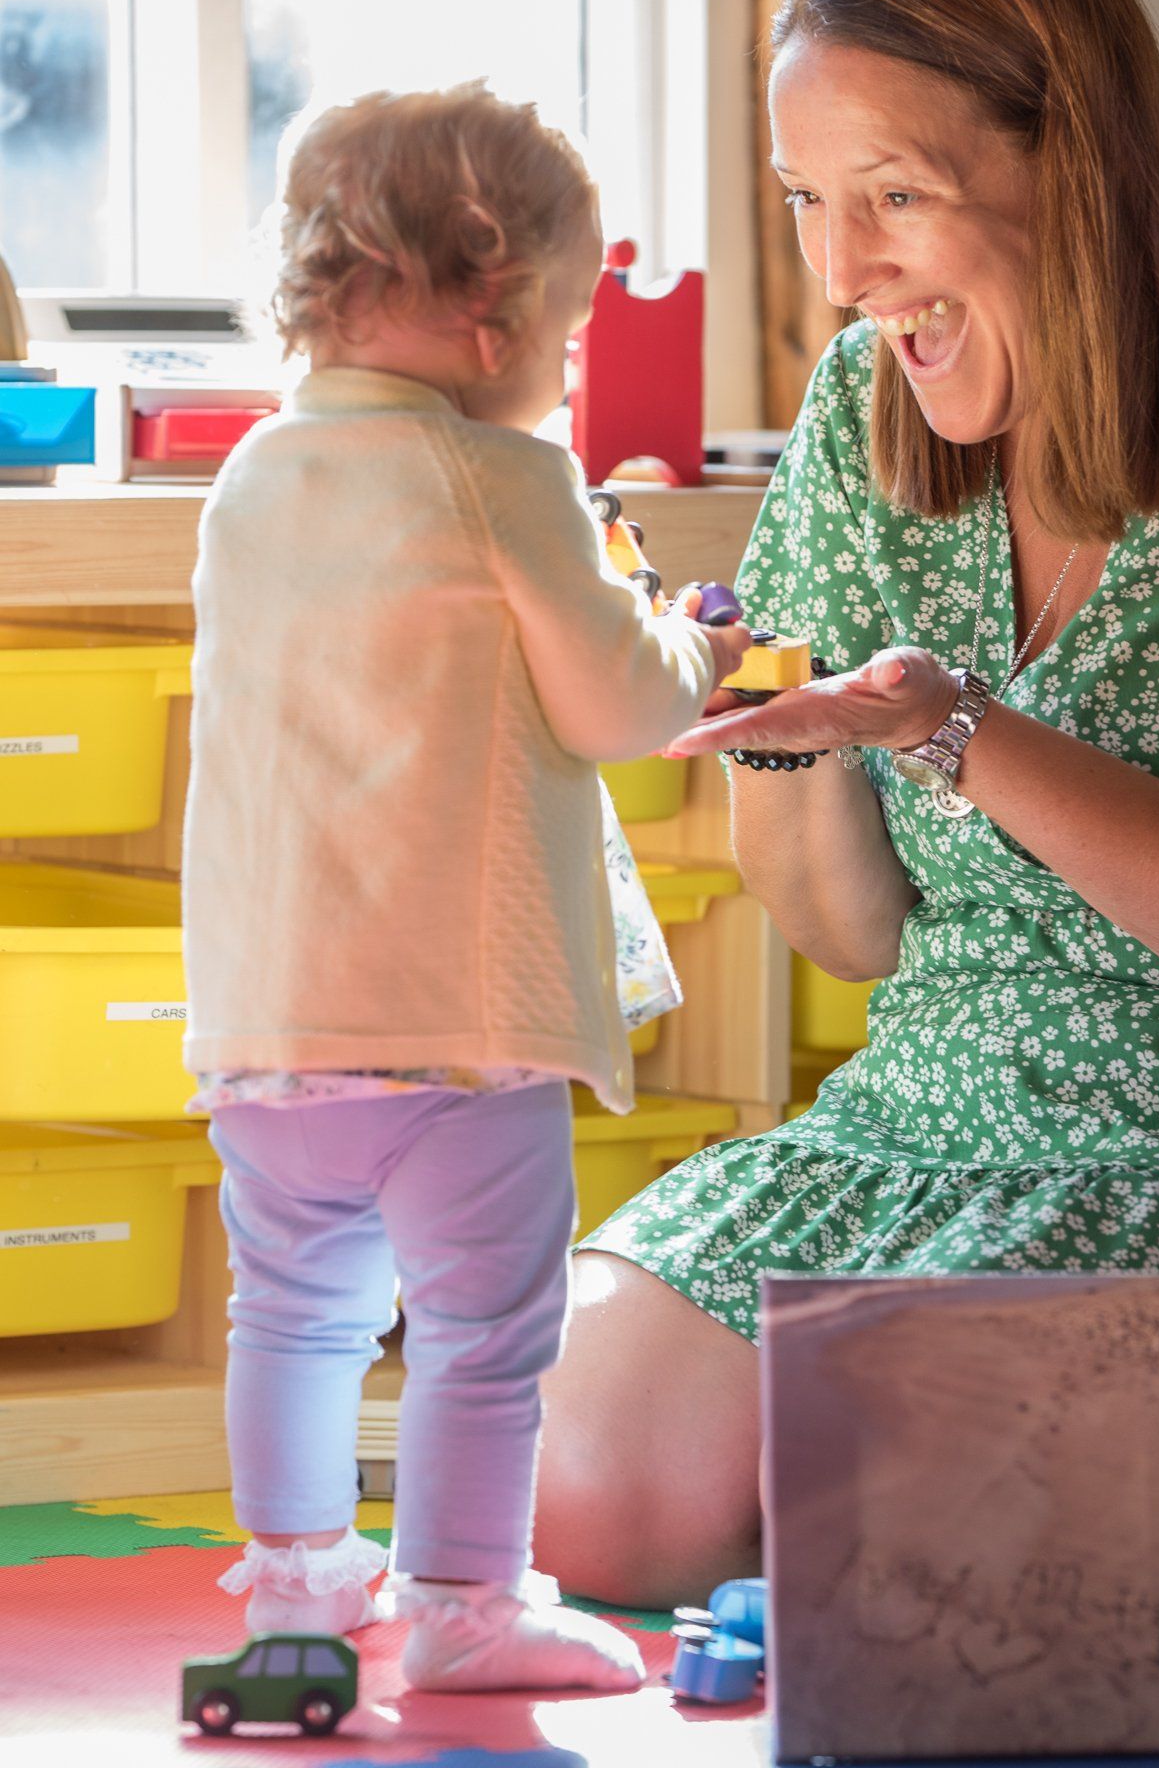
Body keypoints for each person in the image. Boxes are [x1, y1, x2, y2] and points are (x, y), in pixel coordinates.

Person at [533, 0, 1159, 1619]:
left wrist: (956, 729)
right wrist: (777, 731)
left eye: (894, 196)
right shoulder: (863, 396)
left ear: (1076, 160)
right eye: (808, 204)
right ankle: (1041, 1485)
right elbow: (850, 934)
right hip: (939, 1104)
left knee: (931, 1541)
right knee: (585, 1508)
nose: (843, 272)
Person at [180, 83, 749, 1691]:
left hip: (271, 1014)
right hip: (459, 1023)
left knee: (292, 1311)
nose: (565, 368)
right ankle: (461, 1604)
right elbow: (623, 710)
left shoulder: (253, 480)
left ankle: (296, 1581)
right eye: (569, 333)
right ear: (495, 309)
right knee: (486, 1329)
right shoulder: (503, 479)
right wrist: (694, 640)